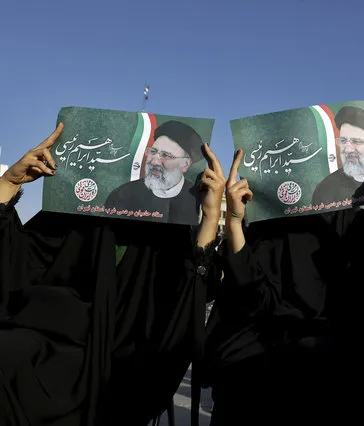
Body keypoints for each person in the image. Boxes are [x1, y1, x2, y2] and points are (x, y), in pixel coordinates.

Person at [0, 123, 226, 426]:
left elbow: (192, 291)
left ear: (186, 166)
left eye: (168, 156)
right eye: (154, 152)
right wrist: (9, 183)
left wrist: (212, 217)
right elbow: (19, 258)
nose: (157, 161)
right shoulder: (84, 212)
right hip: (51, 347)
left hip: (128, 366)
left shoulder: (175, 230)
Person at [202, 139, 364, 426]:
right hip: (262, 379)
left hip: (338, 383)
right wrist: (235, 223)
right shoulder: (272, 227)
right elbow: (250, 293)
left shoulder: (357, 226)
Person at [105, 120, 204, 225]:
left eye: (166, 155)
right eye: (153, 152)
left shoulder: (197, 199)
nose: (154, 161)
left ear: (185, 165)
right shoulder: (121, 195)